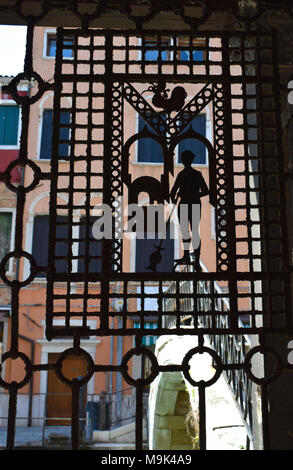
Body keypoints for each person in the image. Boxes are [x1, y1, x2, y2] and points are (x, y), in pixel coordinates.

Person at [170, 150, 209, 270]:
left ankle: (189, 257)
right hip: (194, 204)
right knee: (190, 231)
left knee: (188, 231)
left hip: (187, 204)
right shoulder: (196, 174)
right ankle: (191, 258)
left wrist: (181, 195)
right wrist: (193, 195)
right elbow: (205, 191)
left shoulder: (183, 175)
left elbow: (172, 192)